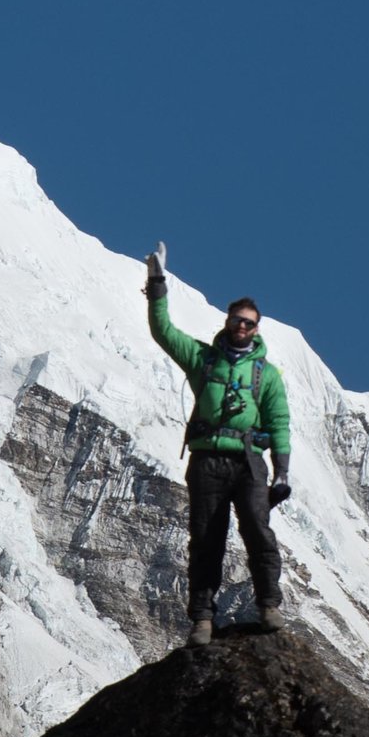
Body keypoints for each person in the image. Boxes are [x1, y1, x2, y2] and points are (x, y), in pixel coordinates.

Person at [143, 243, 292, 641]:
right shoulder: (203, 360)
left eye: (248, 323)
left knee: (258, 533)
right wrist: (157, 283)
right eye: (237, 320)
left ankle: (269, 607)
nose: (241, 327)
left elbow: (279, 422)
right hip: (207, 460)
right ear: (227, 321)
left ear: (256, 328)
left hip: (248, 462)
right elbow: (163, 331)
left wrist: (282, 471)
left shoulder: (268, 375)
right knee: (207, 538)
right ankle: (203, 619)